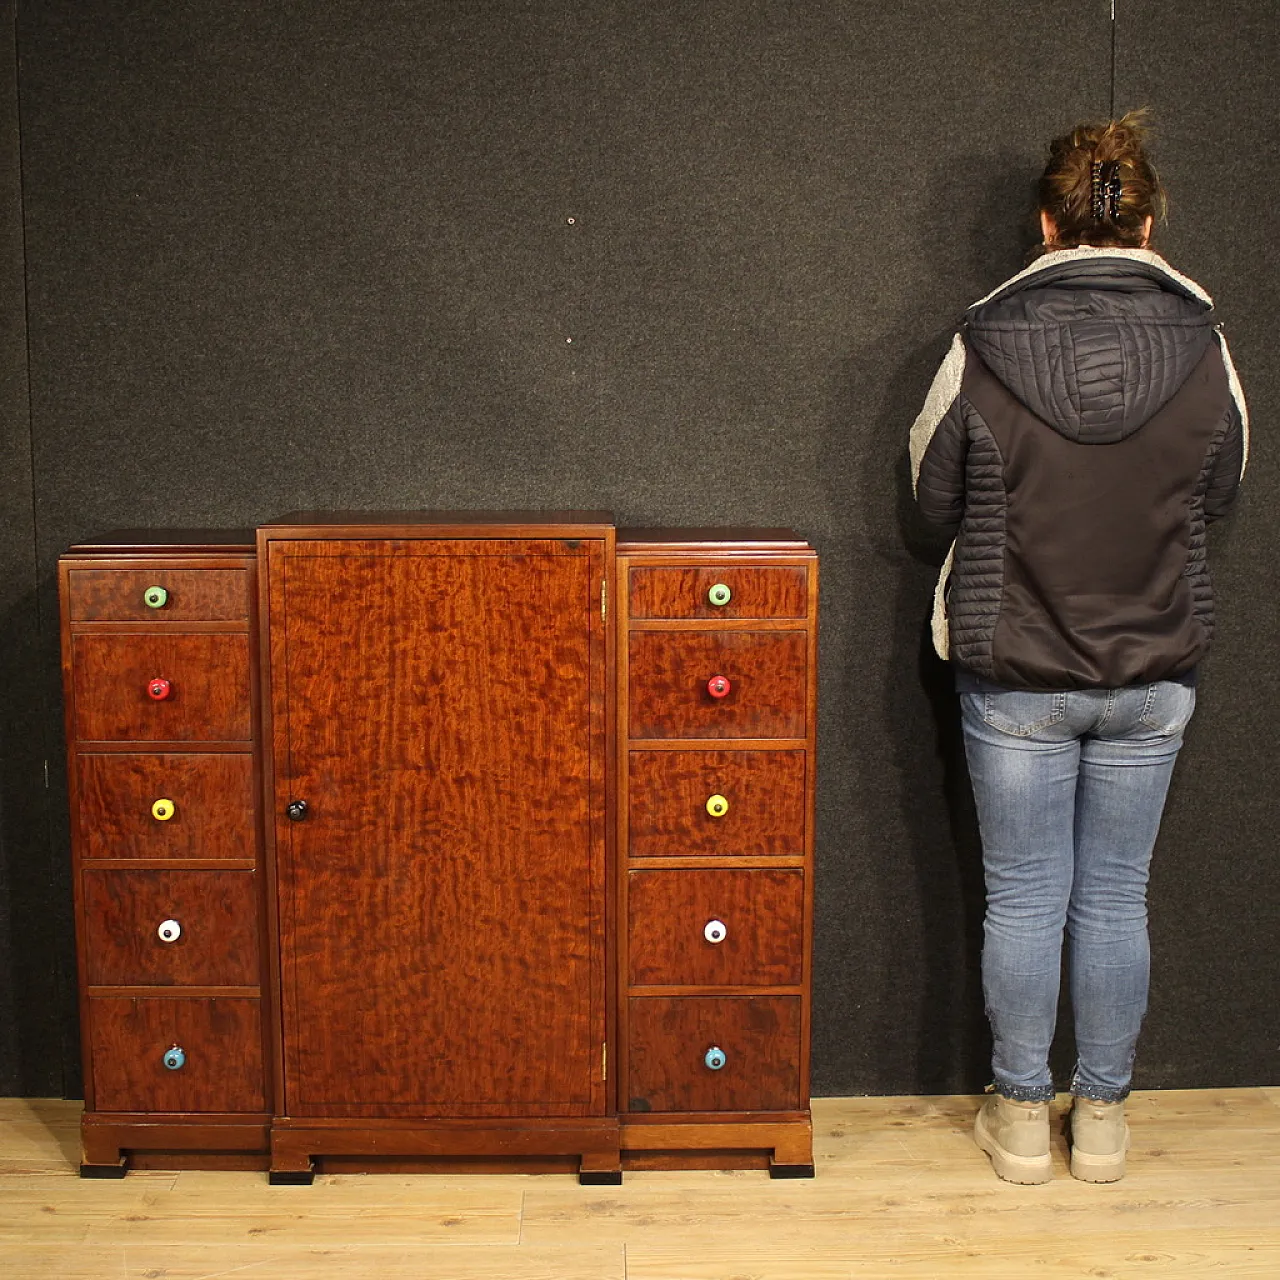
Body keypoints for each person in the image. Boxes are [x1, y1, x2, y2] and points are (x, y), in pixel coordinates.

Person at [908, 112, 1248, 1184]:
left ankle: (1017, 1119)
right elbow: (1222, 485)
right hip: (1152, 670)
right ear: (1147, 222)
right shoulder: (1205, 348)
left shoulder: (979, 346)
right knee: (1113, 895)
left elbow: (925, 502)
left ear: (1047, 223)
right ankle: (1097, 1121)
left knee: (1021, 896)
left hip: (1013, 668)